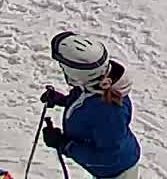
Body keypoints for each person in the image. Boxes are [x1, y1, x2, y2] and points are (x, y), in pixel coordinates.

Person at [39, 32, 140, 179]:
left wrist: (64, 145)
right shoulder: (95, 84)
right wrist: (62, 100)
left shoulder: (109, 113)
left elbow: (108, 158)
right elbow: (87, 104)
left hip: (116, 172)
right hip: (105, 169)